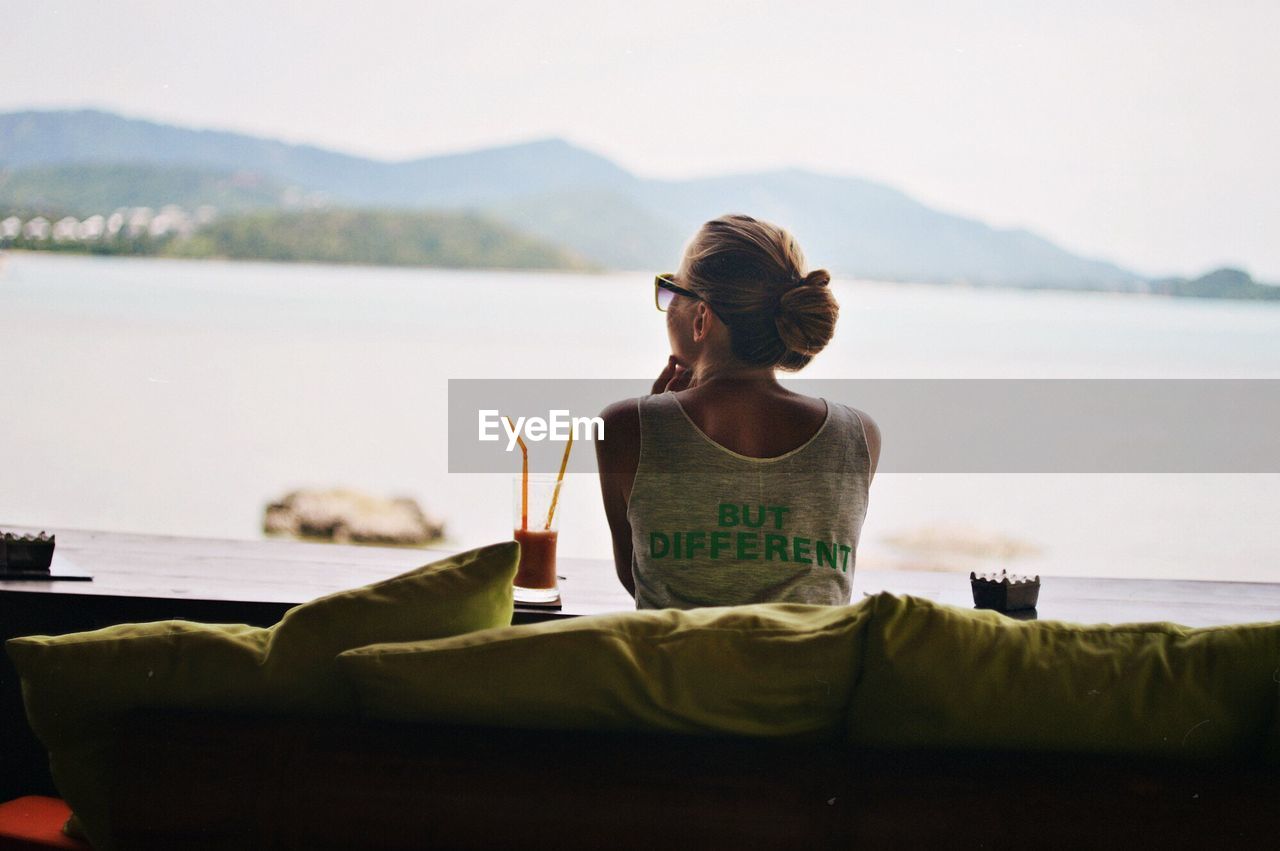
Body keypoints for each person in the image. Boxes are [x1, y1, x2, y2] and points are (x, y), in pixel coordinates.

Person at [595, 213, 880, 609]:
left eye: (670, 290)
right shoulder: (856, 435)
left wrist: (654, 422)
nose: (667, 304)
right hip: (816, 670)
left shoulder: (624, 427)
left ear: (701, 318)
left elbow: (643, 579)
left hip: (678, 669)